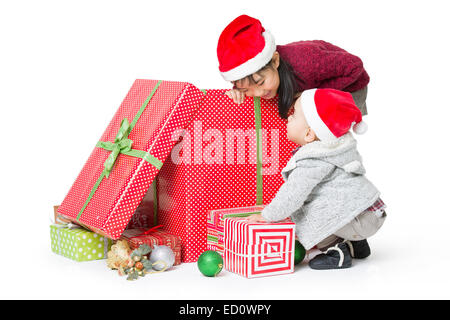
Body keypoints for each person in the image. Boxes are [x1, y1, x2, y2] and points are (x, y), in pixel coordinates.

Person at [246, 89, 386, 270]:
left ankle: (337, 253)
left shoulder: (314, 160)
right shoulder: (338, 149)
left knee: (307, 209)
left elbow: (292, 194)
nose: (289, 119)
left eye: (294, 115)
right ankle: (357, 245)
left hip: (358, 218)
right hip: (370, 213)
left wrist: (268, 216)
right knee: (331, 197)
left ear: (309, 134)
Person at [217, 14, 370, 119]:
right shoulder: (257, 79)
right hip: (306, 84)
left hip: (350, 87)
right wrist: (238, 92)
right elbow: (249, 84)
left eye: (261, 83)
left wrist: (314, 95)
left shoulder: (306, 63)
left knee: (323, 131)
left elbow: (355, 66)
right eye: (246, 89)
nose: (258, 93)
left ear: (275, 61)